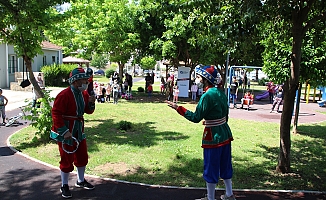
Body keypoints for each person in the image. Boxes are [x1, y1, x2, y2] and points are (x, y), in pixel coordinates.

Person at [166, 65, 236, 200]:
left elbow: (196, 117)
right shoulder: (221, 92)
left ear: (205, 79)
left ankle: (210, 198)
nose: (197, 80)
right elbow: (225, 115)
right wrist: (213, 120)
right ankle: (229, 194)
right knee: (225, 164)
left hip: (213, 136)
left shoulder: (207, 96)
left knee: (211, 165)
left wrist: (178, 108)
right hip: (225, 133)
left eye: (198, 77)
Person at [49, 68, 96, 199]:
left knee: (82, 155)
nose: (86, 82)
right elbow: (56, 113)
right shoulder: (64, 95)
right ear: (75, 81)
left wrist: (91, 103)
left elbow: (88, 111)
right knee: (66, 158)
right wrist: (64, 131)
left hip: (79, 129)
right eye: (84, 80)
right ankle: (64, 185)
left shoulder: (84, 94)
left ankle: (80, 180)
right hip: (66, 130)